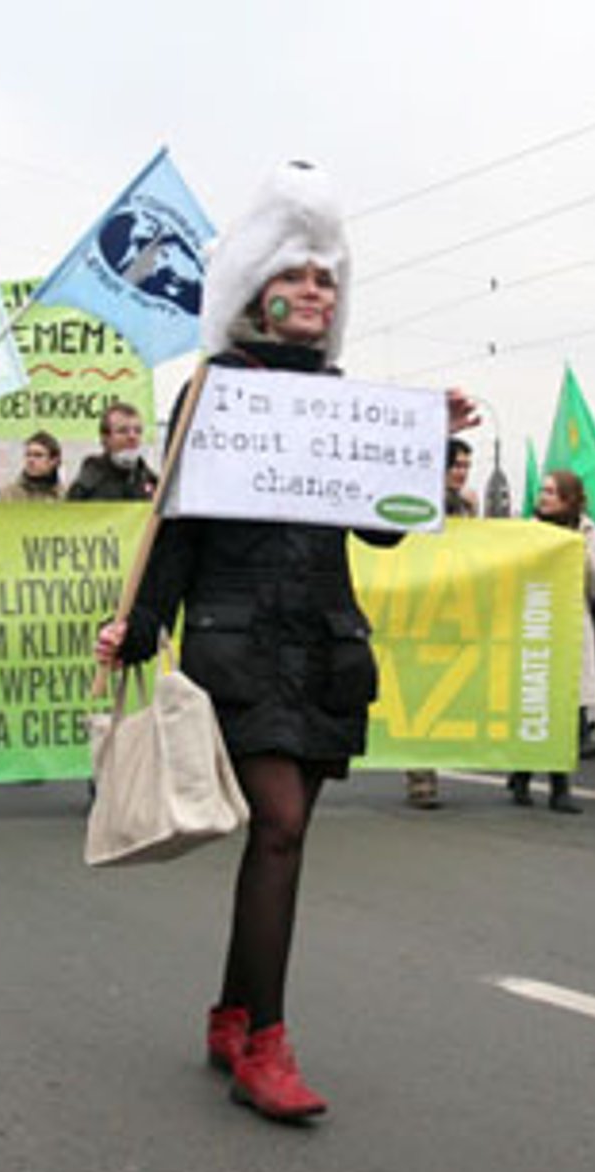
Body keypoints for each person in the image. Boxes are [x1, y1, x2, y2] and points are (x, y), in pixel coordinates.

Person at [96, 161, 478, 1122]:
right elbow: (177, 526)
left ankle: (233, 1015)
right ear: (257, 291)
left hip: (323, 647)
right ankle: (266, 1045)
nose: (315, 293)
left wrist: (423, 448)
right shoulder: (216, 390)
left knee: (284, 837)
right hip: (236, 642)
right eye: (297, 278)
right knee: (279, 826)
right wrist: (139, 626)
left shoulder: (346, 399)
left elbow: (384, 531)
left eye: (326, 281)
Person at [508, 470, 595, 813]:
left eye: (551, 491)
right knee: (532, 702)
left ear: (569, 497)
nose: (543, 497)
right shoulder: (527, 530)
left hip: (570, 627)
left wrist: (579, 552)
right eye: (542, 490)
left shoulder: (591, 534)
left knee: (566, 710)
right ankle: (522, 774)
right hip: (533, 624)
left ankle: (560, 786)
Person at [404, 437, 479, 808]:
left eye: (467, 466)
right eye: (457, 465)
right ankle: (421, 776)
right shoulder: (424, 502)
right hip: (421, 606)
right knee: (421, 693)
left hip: (454, 607)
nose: (462, 472)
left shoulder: (466, 507)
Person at [64, 402, 157, 502]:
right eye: (123, 431)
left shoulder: (151, 481)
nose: (132, 437)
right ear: (105, 438)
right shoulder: (87, 484)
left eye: (138, 431)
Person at [0, 431, 64, 502]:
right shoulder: (8, 494)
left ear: (54, 460)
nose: (31, 460)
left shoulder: (64, 496)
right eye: (28, 455)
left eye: (38, 455)